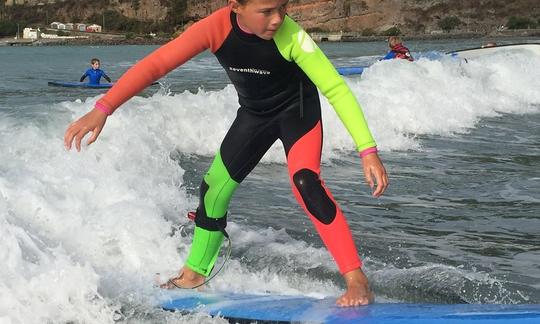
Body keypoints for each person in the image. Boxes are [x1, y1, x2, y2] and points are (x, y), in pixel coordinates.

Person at [64, 0, 388, 307]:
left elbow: (336, 88)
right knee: (214, 188)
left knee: (305, 181)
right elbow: (158, 64)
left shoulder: (293, 36)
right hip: (255, 115)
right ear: (236, 6)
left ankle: (356, 279)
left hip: (297, 113)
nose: (278, 18)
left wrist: (367, 150)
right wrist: (104, 108)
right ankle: (194, 274)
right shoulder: (215, 27)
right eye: (266, 11)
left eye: (283, 8)